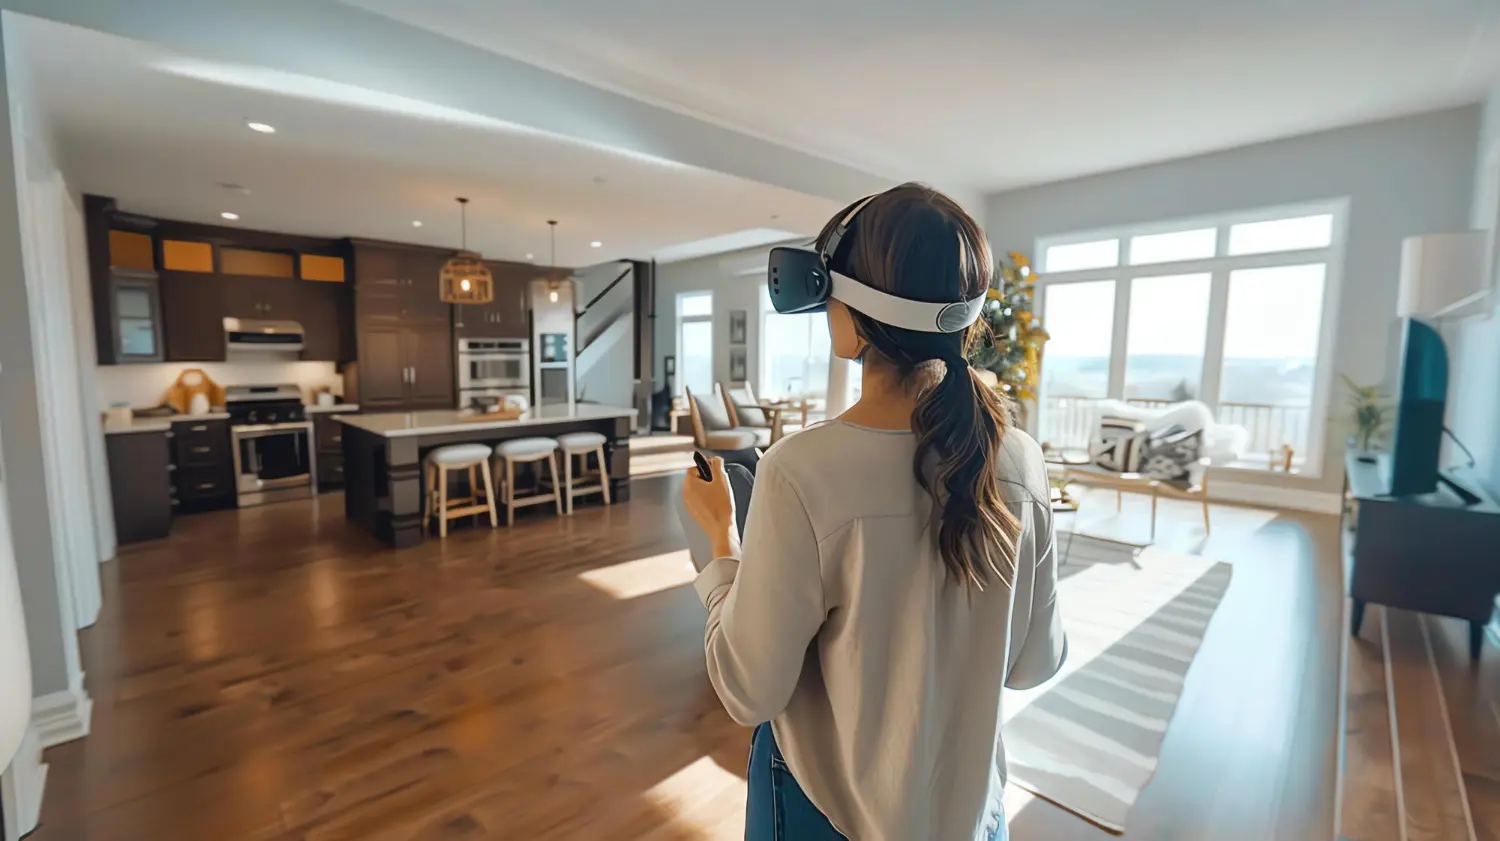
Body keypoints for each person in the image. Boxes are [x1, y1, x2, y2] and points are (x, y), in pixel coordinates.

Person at [681, 183, 1066, 841]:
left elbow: (750, 689)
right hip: (976, 819)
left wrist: (720, 540)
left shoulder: (800, 471)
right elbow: (1035, 661)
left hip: (827, 818)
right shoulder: (1021, 460)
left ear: (852, 313)